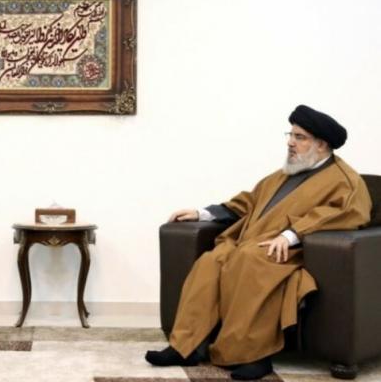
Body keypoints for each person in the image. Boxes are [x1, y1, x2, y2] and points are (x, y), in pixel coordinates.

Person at [145, 105, 372, 380]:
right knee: (211, 260)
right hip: (251, 242)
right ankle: (186, 347)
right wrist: (202, 213)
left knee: (250, 261)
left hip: (294, 252)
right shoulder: (285, 173)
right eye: (290, 135)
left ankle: (252, 356)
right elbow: (249, 202)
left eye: (299, 137)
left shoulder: (345, 181)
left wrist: (290, 235)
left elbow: (344, 214)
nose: (290, 142)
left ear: (322, 145)